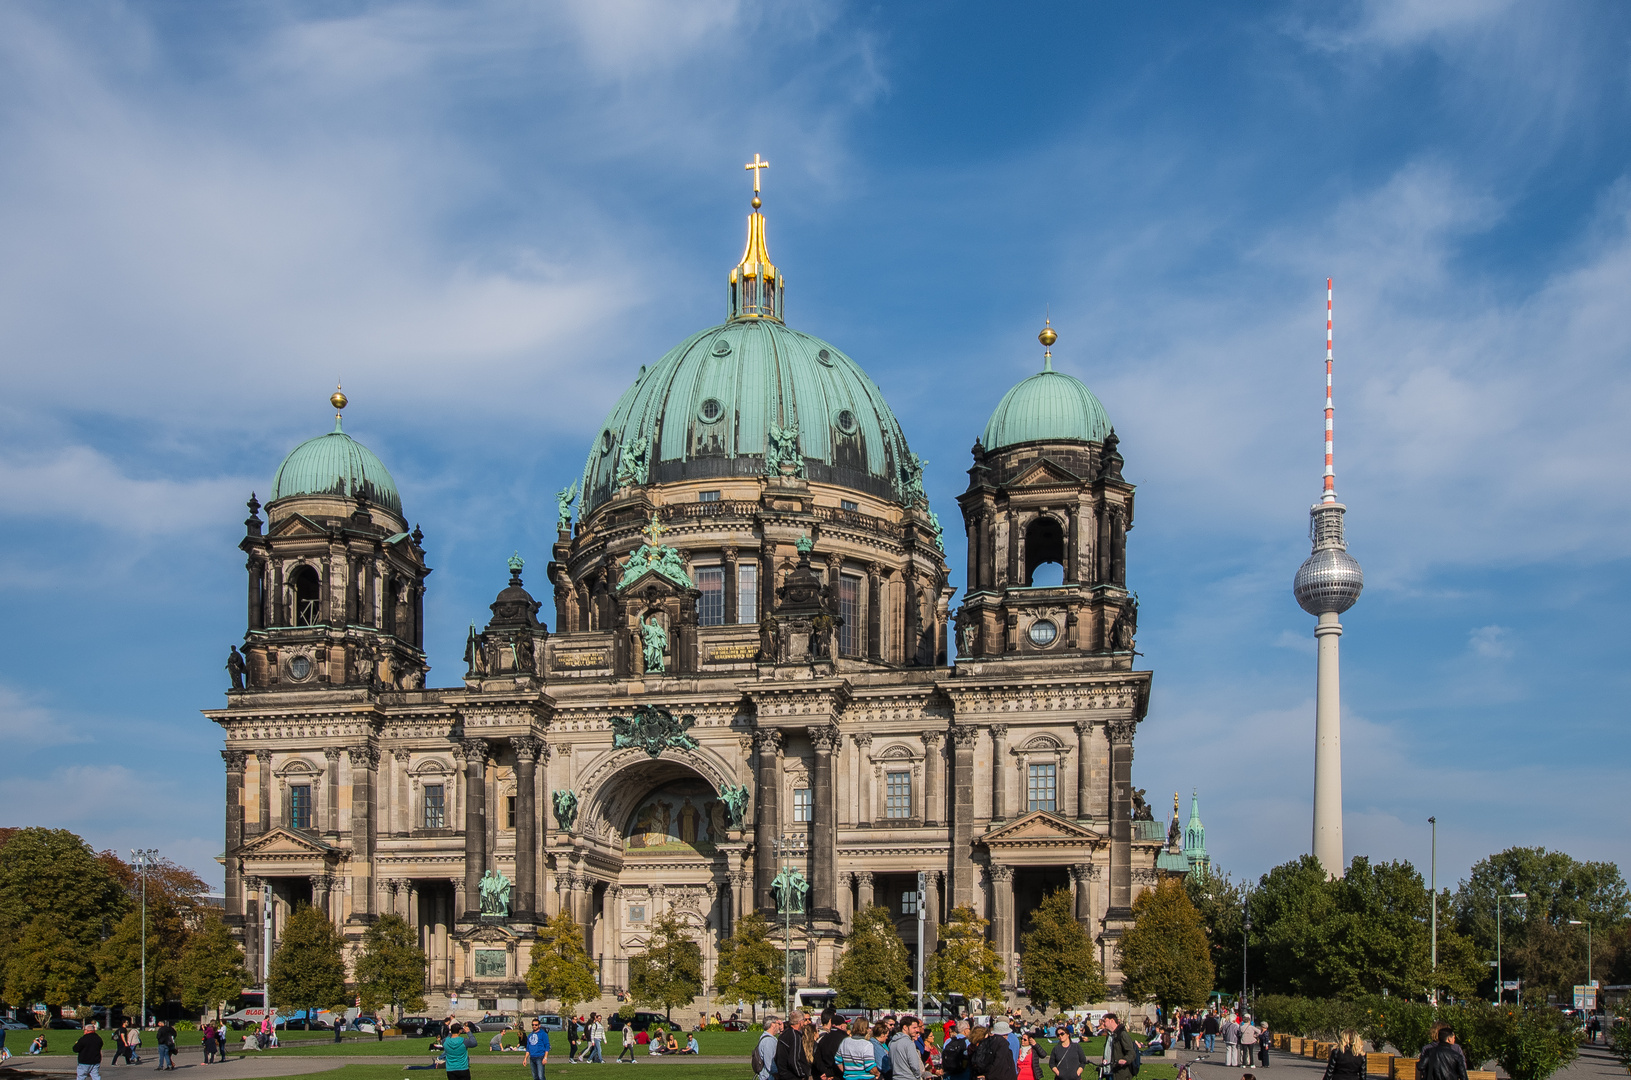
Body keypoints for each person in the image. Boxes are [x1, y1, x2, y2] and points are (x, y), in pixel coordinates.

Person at [1101, 1014, 1140, 1080]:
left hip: (1119, 1073)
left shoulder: (1122, 1034)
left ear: (1112, 1020)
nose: (1103, 1023)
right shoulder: (1109, 1035)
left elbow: (1131, 1052)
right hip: (1108, 1071)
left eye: (1105, 1021)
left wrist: (1125, 1060)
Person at [777, 1011, 812, 1079]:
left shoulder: (784, 1034)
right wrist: (802, 1074)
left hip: (783, 1073)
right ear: (800, 1022)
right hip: (792, 1075)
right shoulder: (795, 1036)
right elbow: (794, 1059)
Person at [816, 1008, 848, 1080]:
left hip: (826, 1075)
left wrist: (825, 1072)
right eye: (846, 1024)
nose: (847, 1026)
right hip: (840, 1075)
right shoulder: (845, 1039)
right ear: (842, 1026)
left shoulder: (824, 1038)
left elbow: (817, 1057)